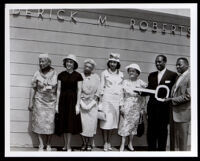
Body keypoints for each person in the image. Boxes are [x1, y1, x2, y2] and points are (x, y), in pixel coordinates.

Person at [143, 55, 178, 151]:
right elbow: (149, 89)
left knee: (162, 131)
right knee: (151, 131)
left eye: (159, 62)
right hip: (152, 108)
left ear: (165, 62)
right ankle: (151, 151)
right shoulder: (151, 75)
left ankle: (161, 151)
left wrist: (171, 99)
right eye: (156, 62)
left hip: (164, 109)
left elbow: (175, 91)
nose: (157, 64)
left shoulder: (172, 75)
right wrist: (140, 92)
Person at [28, 54, 57, 151]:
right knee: (39, 123)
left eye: (43, 61)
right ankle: (41, 144)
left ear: (49, 62)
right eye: (40, 61)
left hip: (51, 102)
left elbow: (58, 89)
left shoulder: (54, 73)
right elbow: (33, 88)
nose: (41, 63)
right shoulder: (37, 73)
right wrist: (30, 102)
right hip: (39, 101)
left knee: (50, 123)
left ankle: (48, 143)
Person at [56, 54, 83, 151]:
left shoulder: (78, 76)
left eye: (71, 62)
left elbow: (79, 90)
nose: (69, 64)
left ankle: (68, 145)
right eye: (67, 61)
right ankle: (65, 144)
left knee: (70, 123)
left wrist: (77, 105)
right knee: (63, 122)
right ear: (65, 63)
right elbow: (58, 90)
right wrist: (56, 104)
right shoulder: (61, 75)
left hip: (72, 101)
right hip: (62, 101)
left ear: (74, 64)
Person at [118, 64, 147, 151]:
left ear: (137, 73)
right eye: (130, 71)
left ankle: (130, 143)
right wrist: (121, 106)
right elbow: (121, 95)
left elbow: (144, 97)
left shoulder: (141, 83)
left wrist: (142, 108)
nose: (131, 73)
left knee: (133, 126)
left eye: (133, 71)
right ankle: (122, 144)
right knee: (124, 125)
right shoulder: (125, 82)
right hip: (126, 106)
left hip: (136, 107)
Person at [164, 57, 190, 151]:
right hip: (173, 113)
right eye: (176, 64)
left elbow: (189, 96)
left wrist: (172, 100)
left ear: (187, 65)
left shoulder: (191, 77)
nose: (177, 66)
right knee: (173, 140)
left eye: (180, 64)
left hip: (183, 114)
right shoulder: (179, 76)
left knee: (182, 141)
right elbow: (175, 92)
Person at [99, 53, 124, 151]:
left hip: (116, 101)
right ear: (109, 63)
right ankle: (105, 142)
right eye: (111, 62)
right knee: (106, 122)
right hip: (106, 100)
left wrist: (121, 103)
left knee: (113, 123)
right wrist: (100, 102)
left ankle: (109, 142)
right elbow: (101, 87)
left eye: (115, 62)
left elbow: (121, 90)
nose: (113, 64)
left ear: (117, 63)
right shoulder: (104, 73)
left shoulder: (121, 74)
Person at [80, 59, 100, 151]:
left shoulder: (96, 77)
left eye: (90, 67)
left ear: (92, 68)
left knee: (91, 125)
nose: (87, 68)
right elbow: (77, 90)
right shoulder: (80, 76)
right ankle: (84, 143)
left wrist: (92, 103)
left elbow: (98, 91)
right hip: (82, 103)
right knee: (83, 125)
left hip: (92, 104)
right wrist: (82, 103)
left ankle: (89, 143)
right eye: (86, 66)